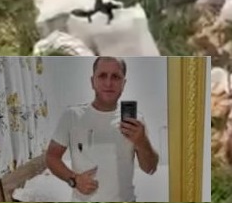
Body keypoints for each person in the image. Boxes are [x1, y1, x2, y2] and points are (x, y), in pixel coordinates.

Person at [45, 57, 159, 202]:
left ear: (123, 84)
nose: (108, 83)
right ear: (92, 81)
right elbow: (51, 157)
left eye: (116, 77)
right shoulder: (72, 116)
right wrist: (74, 179)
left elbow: (150, 169)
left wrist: (143, 142)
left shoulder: (136, 121)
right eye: (102, 75)